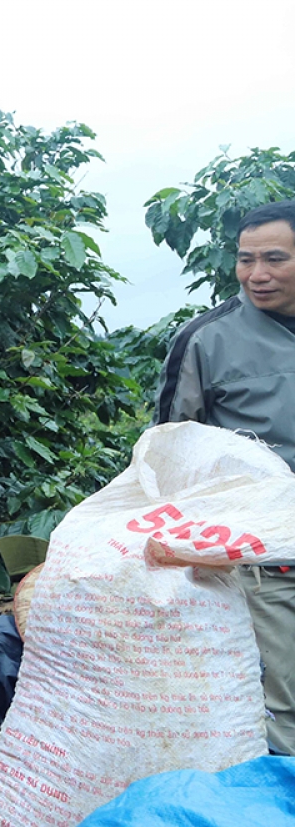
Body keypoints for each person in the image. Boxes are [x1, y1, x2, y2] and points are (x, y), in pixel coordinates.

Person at [156, 199, 295, 756]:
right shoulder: (207, 340)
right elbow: (169, 455)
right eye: (245, 259)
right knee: (280, 707)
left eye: (275, 259)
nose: (257, 274)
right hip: (266, 563)